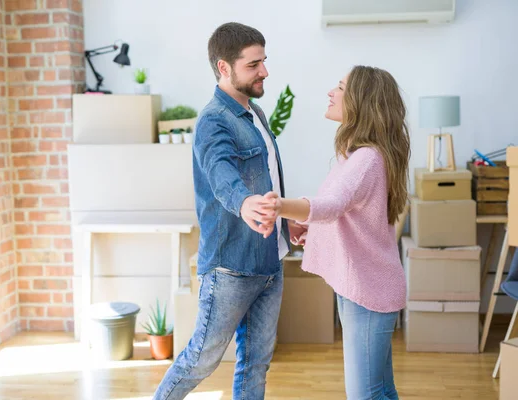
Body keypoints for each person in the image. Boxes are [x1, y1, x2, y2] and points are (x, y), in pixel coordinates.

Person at [153, 22, 289, 400]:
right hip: (231, 265)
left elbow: (269, 180)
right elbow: (221, 174)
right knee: (203, 357)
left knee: (256, 362)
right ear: (224, 68)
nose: (264, 71)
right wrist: (244, 202)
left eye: (264, 61)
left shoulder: (256, 114)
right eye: (253, 65)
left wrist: (286, 227)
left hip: (269, 260)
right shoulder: (214, 120)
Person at [262, 65, 410, 400]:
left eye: (340, 87)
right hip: (368, 288)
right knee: (381, 392)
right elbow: (348, 218)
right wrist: (307, 229)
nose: (331, 92)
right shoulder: (361, 157)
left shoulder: (366, 160)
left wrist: (279, 206)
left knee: (366, 395)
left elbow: (331, 205)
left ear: (361, 100)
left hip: (368, 293)